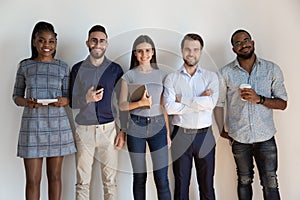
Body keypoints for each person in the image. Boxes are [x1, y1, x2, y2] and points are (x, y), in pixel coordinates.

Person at [214, 29, 288, 200]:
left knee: (270, 181)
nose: (243, 45)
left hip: (266, 137)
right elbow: (218, 104)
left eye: (246, 40)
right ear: (234, 49)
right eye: (238, 43)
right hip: (239, 137)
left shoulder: (271, 69)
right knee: (244, 180)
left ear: (252, 43)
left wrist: (259, 99)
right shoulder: (225, 73)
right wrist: (221, 129)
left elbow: (283, 103)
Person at [12, 21, 76, 200]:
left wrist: (63, 101)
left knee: (55, 177)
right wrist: (26, 102)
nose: (46, 45)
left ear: (56, 43)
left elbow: (68, 97)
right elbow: (16, 96)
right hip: (32, 127)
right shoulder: (25, 66)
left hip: (58, 127)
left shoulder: (63, 67)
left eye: (51, 41)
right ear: (34, 42)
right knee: (33, 180)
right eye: (41, 40)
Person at [69, 25, 126, 200]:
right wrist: (86, 98)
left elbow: (122, 103)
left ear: (106, 44)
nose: (98, 44)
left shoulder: (116, 70)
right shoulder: (77, 69)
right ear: (88, 43)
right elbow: (71, 102)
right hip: (84, 131)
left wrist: (122, 131)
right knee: (82, 182)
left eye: (102, 41)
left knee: (110, 181)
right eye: (94, 40)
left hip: (108, 130)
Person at [163, 33, 219, 200]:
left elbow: (211, 104)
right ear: (181, 51)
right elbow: (169, 107)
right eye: (187, 49)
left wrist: (182, 99)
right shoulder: (171, 78)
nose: (191, 53)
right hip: (180, 136)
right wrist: (199, 100)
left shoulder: (211, 77)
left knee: (207, 186)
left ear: (201, 52)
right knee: (181, 187)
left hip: (205, 137)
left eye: (195, 49)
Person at [119, 35, 172, 200]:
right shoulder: (128, 76)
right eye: (140, 51)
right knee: (140, 177)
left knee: (162, 178)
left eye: (147, 51)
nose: (144, 55)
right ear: (135, 54)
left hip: (159, 126)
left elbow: (163, 106)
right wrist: (140, 103)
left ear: (153, 52)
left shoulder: (162, 75)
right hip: (136, 126)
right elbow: (122, 105)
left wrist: (168, 134)